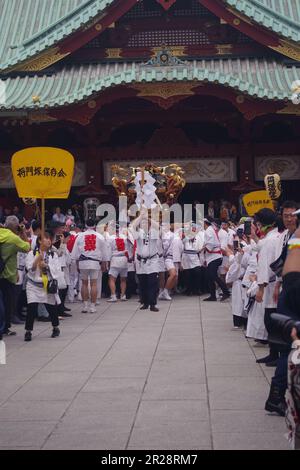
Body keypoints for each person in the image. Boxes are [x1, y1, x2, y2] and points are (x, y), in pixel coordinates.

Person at [254, 209, 282, 367]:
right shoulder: (274, 237)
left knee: (271, 320)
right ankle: (274, 352)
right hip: (273, 282)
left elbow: (264, 265)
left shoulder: (271, 240)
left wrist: (261, 288)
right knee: (271, 319)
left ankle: (276, 352)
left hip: (271, 283)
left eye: (258, 223)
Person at [24, 232, 61, 341]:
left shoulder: (53, 255)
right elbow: (30, 269)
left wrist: (47, 266)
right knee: (31, 308)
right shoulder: (31, 253)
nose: (49, 241)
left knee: (51, 308)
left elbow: (57, 270)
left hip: (46, 285)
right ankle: (28, 331)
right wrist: (37, 260)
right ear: (40, 241)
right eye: (46, 239)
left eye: (50, 239)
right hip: (33, 286)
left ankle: (55, 327)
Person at [0, 216, 30, 336]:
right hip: (8, 274)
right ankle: (5, 327)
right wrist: (22, 232)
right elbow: (27, 247)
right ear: (15, 226)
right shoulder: (13, 238)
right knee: (8, 303)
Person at [72, 218, 108, 313]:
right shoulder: (99, 236)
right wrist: (104, 263)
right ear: (94, 226)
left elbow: (75, 252)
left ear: (86, 225)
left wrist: (77, 263)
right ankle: (92, 306)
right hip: (95, 262)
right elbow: (104, 251)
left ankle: (85, 306)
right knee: (94, 284)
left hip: (83, 261)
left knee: (84, 283)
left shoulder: (80, 236)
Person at [131, 209, 160, 312]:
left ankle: (152, 304)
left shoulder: (154, 232)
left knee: (152, 282)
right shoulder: (138, 233)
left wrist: (147, 217)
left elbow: (157, 225)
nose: (144, 224)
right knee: (142, 283)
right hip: (141, 261)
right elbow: (132, 226)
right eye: (142, 223)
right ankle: (145, 302)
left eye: (145, 223)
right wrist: (140, 217)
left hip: (152, 261)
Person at [203, 218, 230, 302]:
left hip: (215, 256)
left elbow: (210, 244)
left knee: (213, 275)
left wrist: (203, 249)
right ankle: (213, 295)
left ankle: (226, 292)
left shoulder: (209, 230)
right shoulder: (211, 230)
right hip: (212, 256)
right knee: (210, 276)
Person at [107, 227, 129, 302]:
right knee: (123, 279)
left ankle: (113, 296)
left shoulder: (110, 238)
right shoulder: (125, 237)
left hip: (115, 259)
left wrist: (108, 261)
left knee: (112, 279)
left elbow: (108, 250)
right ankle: (123, 295)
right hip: (124, 259)